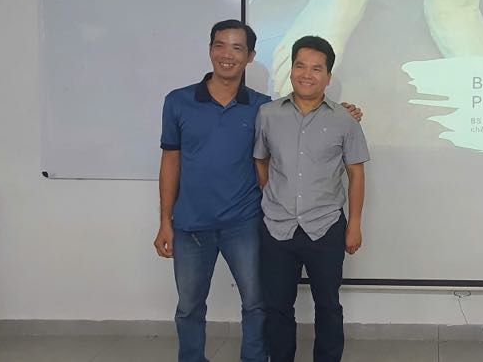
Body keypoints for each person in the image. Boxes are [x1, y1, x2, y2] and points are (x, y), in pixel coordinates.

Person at [154, 21, 360, 362]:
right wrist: (165, 220)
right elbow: (170, 161)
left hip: (244, 224)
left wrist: (345, 112)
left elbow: (302, 119)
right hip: (191, 224)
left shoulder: (261, 107)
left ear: (250, 56)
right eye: (220, 45)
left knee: (256, 305)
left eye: (237, 48)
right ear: (210, 49)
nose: (227, 55)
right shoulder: (178, 102)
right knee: (189, 307)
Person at [254, 35, 370, 362]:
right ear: (291, 70)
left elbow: (356, 174)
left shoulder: (344, 120)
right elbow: (261, 161)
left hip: (326, 226)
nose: (307, 74)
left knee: (328, 306)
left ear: (328, 76)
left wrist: (354, 225)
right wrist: (274, 196)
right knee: (277, 307)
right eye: (300, 66)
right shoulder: (268, 114)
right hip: (277, 228)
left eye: (316, 68)